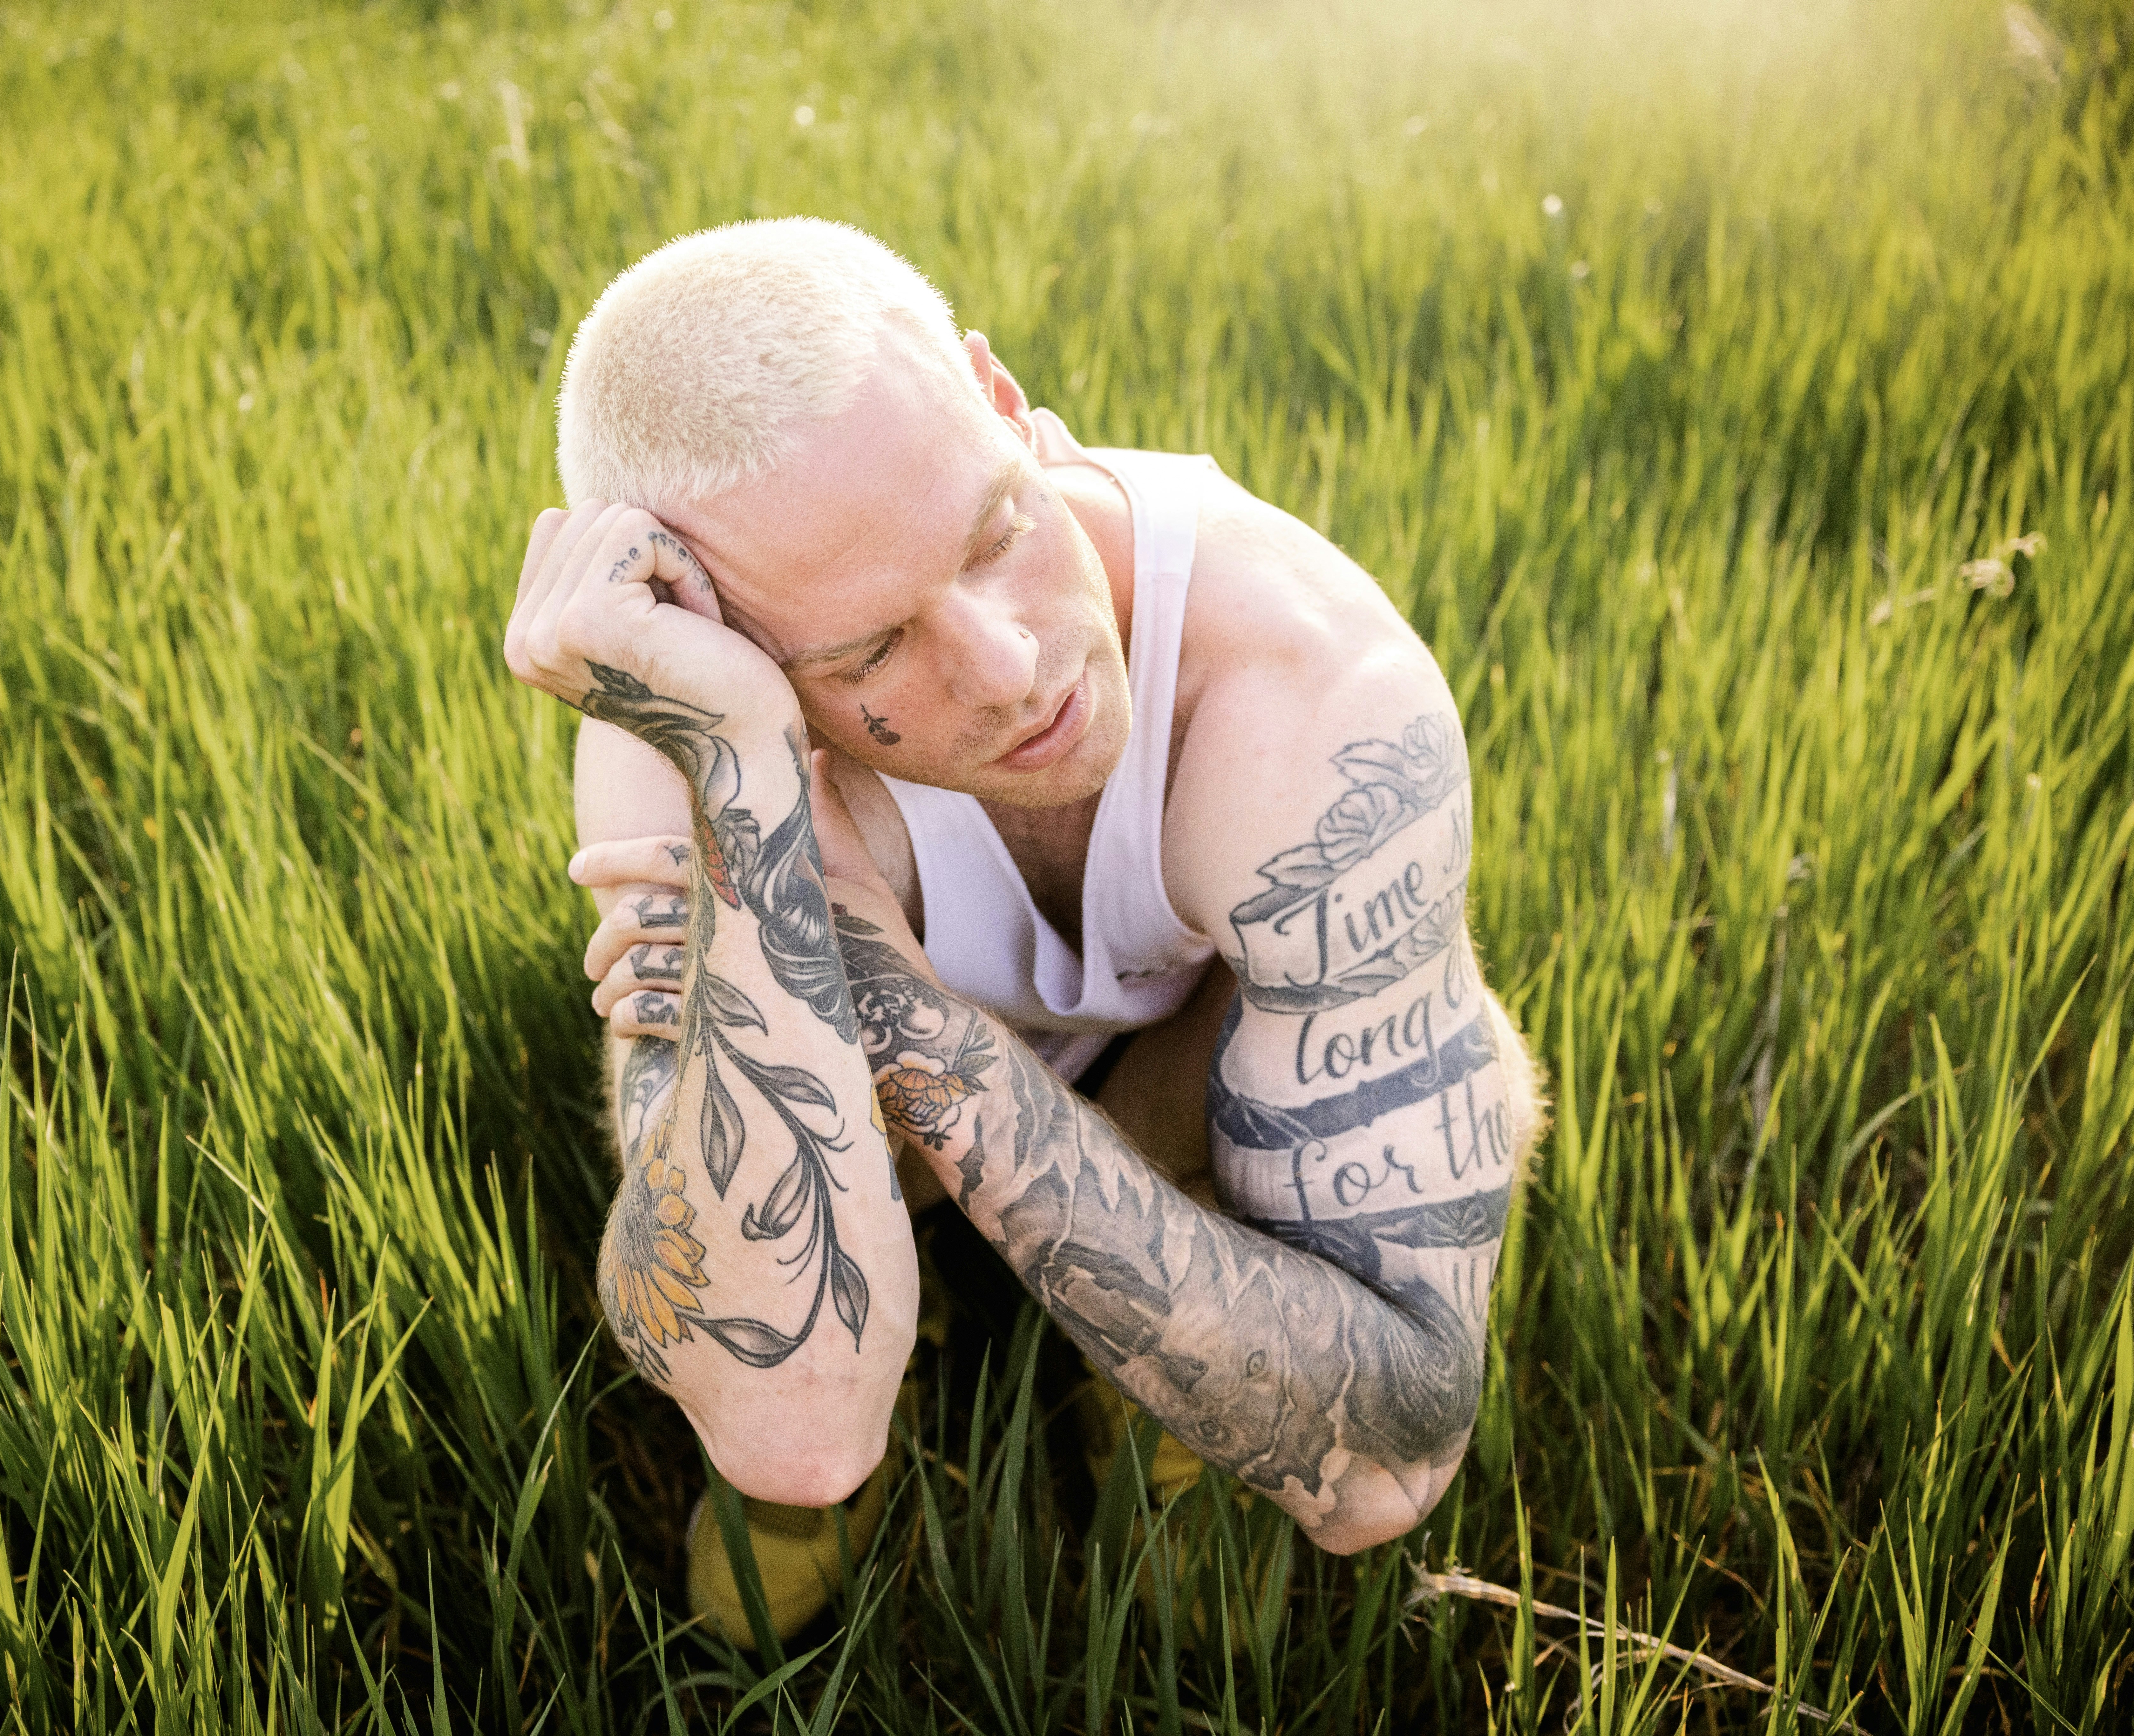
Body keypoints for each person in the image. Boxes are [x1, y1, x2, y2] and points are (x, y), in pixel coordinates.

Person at [502, 217, 1546, 1645]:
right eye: (867, 650)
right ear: (713, 642)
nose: (1011, 666)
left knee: (1233, 1029)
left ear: (1001, 402)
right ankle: (897, 1311)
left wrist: (891, 994)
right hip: (895, 1145)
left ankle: (1156, 1391)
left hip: (1177, 1084)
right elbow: (788, 1424)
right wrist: (742, 777)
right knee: (784, 1328)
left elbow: (1389, 1456)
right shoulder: (684, 733)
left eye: (997, 529)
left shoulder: (1305, 695)